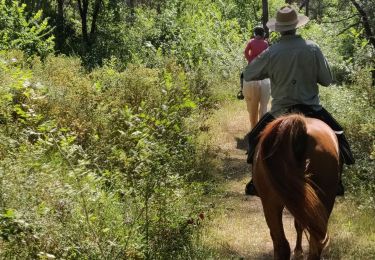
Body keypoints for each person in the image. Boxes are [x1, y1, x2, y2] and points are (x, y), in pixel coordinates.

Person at [242, 6, 355, 196]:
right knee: (340, 137)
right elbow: (327, 80)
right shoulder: (312, 48)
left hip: (281, 110)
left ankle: (255, 181)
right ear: (296, 26)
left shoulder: (272, 52)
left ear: (279, 28)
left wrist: (270, 69)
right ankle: (337, 182)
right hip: (312, 109)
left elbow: (249, 73)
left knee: (254, 140)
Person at [239, 27, 271, 129]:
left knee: (242, 75)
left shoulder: (251, 42)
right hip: (262, 69)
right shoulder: (266, 43)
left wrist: (250, 60)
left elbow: (245, 52)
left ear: (255, 33)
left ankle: (241, 90)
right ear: (263, 34)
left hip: (252, 67)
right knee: (264, 106)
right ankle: (261, 128)